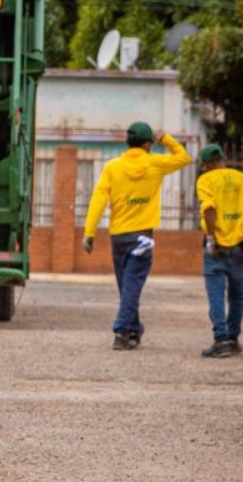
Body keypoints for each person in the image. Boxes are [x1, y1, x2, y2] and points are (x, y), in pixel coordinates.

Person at [82, 121, 191, 350]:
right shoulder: (155, 163)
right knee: (131, 286)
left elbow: (98, 199)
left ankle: (134, 329)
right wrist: (166, 139)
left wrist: (89, 233)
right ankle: (122, 331)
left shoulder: (113, 167)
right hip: (142, 236)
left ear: (127, 142)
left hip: (119, 237)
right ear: (146, 144)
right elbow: (184, 158)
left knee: (127, 286)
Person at [194, 144, 243, 358]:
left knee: (216, 294)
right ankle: (233, 339)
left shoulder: (205, 180)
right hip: (240, 247)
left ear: (206, 164)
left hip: (217, 247)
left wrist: (212, 238)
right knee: (237, 295)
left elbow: (208, 208)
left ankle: (221, 339)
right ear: (223, 158)